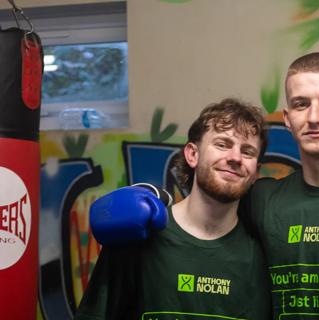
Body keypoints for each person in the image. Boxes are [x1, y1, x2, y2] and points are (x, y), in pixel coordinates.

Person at [89, 53, 319, 320]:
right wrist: (152, 197)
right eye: (301, 104)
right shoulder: (261, 198)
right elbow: (208, 203)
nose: (315, 117)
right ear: (288, 117)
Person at [74, 98, 272, 319]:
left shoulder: (262, 254)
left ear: (256, 173)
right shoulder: (136, 235)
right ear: (192, 154)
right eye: (222, 144)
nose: (235, 158)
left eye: (247, 152)